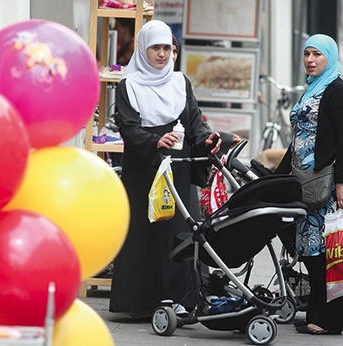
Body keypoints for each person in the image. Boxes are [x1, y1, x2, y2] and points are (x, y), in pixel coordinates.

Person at [109, 20, 238, 318]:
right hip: (144, 170)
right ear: (143, 49)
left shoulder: (181, 82)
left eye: (167, 48)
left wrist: (209, 139)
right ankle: (139, 302)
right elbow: (128, 127)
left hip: (177, 170)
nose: (162, 54)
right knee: (146, 232)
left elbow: (194, 123)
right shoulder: (129, 85)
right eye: (155, 48)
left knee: (180, 231)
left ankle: (182, 298)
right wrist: (155, 142)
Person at [274, 34, 343, 335]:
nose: (310, 60)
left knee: (329, 252)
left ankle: (329, 319)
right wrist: (277, 175)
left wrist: (341, 183)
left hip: (332, 184)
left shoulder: (339, 91)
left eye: (317, 55)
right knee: (312, 252)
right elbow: (299, 139)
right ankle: (318, 312)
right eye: (307, 54)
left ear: (330, 58)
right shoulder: (313, 90)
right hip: (310, 183)